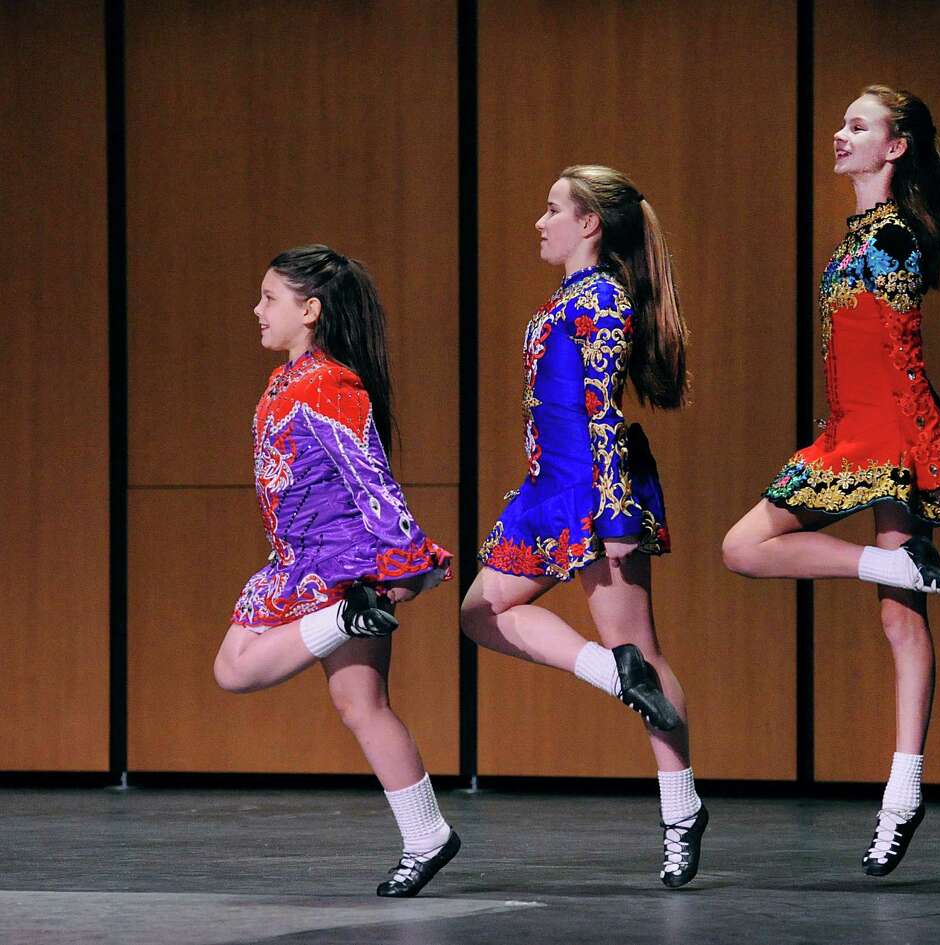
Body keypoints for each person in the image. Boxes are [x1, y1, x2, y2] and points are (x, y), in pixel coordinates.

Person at [721, 86, 940, 877]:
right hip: (847, 436)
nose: (840, 134)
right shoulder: (860, 237)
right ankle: (895, 564)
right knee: (743, 547)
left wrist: (937, 466)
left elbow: (906, 361)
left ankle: (902, 794)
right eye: (842, 123)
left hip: (894, 439)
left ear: (894, 147)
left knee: (901, 625)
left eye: (858, 125)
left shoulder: (895, 238)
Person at [461, 166, 706, 888]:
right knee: (481, 611)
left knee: (644, 649)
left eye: (551, 209)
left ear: (589, 223)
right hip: (548, 490)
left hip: (593, 492)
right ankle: (610, 673)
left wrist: (618, 514)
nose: (540, 221)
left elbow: (601, 410)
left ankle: (681, 809)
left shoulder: (601, 297)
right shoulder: (571, 296)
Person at [212, 245, 457, 898]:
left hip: (339, 559)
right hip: (298, 565)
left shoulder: (327, 381)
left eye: (270, 298)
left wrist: (407, 558)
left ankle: (346, 613)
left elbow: (368, 470)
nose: (257, 309)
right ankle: (428, 835)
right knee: (359, 704)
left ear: (309, 309)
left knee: (241, 668)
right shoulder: (289, 377)